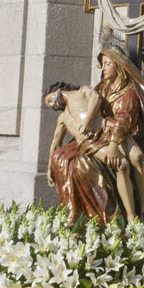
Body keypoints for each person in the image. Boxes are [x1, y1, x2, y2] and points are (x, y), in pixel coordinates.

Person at [95, 46, 144, 222]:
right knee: (122, 166)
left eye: (108, 63)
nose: (104, 68)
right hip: (103, 133)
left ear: (119, 66)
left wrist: (114, 145)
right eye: (103, 64)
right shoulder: (102, 89)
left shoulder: (128, 91)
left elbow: (125, 119)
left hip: (120, 135)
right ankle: (131, 215)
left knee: (138, 157)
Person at [44, 80, 117, 223]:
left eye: (51, 100)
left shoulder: (83, 91)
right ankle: (80, 213)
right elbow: (56, 143)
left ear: (58, 90)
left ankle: (118, 212)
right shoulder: (63, 117)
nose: (53, 105)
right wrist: (49, 168)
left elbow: (95, 97)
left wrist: (88, 120)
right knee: (65, 161)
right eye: (50, 106)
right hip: (87, 146)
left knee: (119, 163)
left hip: (102, 136)